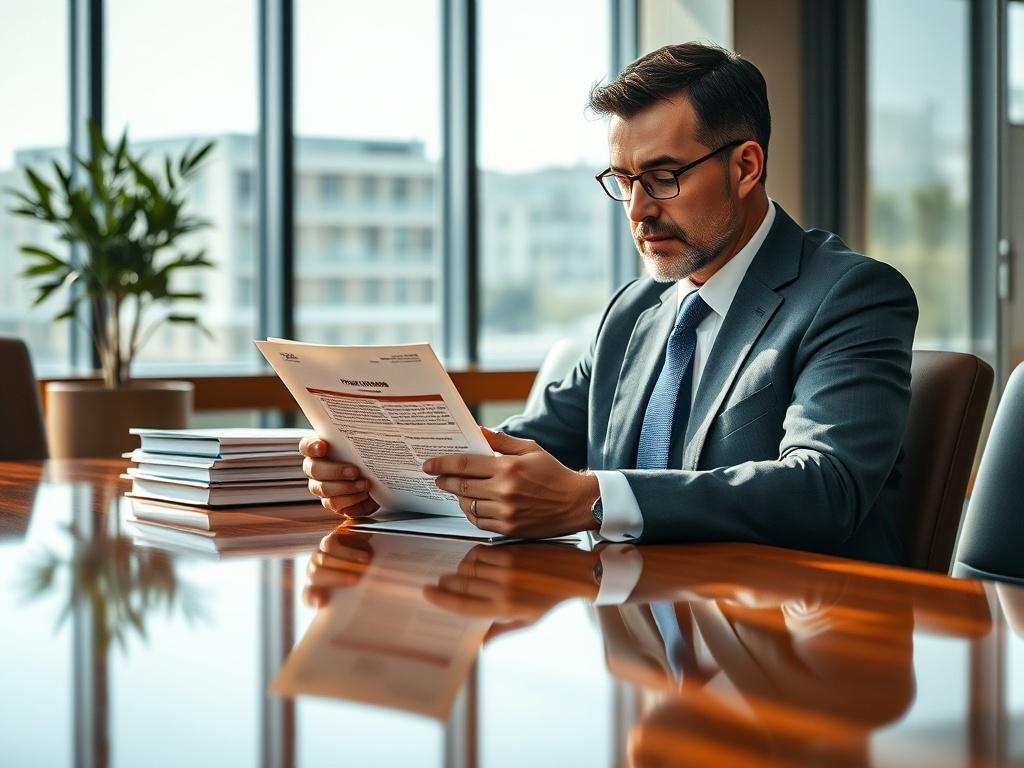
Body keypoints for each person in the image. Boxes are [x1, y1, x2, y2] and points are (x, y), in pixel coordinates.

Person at [300, 42, 918, 564]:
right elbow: (530, 446)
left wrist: (591, 500)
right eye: (622, 181)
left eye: (663, 177)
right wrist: (390, 477)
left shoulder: (850, 295)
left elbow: (824, 489)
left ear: (746, 166)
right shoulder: (634, 312)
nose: (639, 210)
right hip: (634, 629)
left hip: (797, 644)